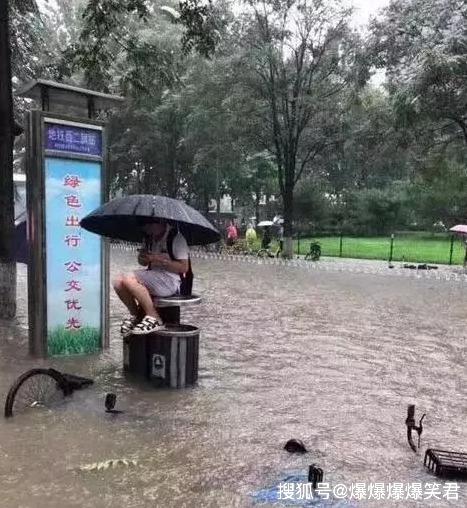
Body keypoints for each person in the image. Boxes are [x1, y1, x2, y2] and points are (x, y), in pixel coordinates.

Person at [113, 220, 189, 336]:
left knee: (128, 279)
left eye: (148, 225)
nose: (146, 229)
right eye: (144, 226)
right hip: (152, 276)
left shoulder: (176, 239)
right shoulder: (148, 238)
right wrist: (143, 258)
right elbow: (142, 263)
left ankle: (154, 317)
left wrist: (158, 259)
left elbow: (184, 268)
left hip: (170, 281)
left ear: (160, 223)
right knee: (118, 281)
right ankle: (136, 315)